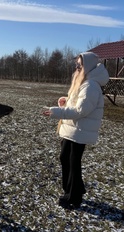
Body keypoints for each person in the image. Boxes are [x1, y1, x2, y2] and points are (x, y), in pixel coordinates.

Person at [43, 52, 109, 209]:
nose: (77, 68)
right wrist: (66, 102)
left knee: (73, 162)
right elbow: (78, 103)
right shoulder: (85, 82)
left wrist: (56, 112)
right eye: (76, 65)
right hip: (73, 129)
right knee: (65, 157)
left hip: (80, 130)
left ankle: (74, 197)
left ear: (88, 67)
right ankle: (74, 189)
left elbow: (81, 111)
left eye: (80, 65)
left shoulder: (91, 85)